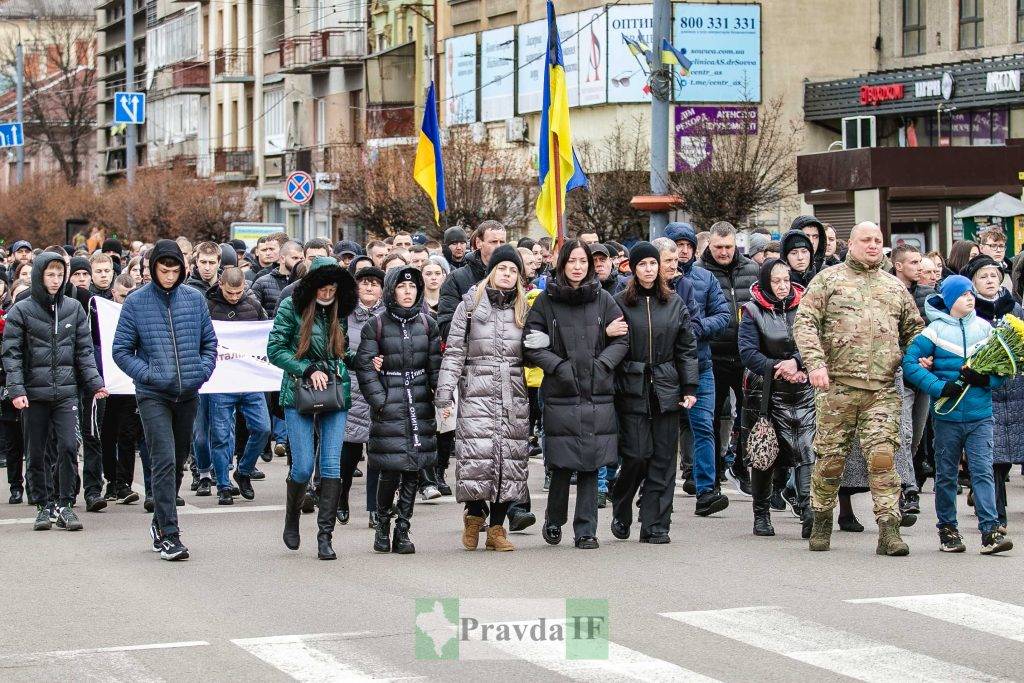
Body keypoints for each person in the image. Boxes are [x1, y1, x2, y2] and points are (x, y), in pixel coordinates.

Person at [793, 221, 923, 556]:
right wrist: (815, 363)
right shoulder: (829, 280)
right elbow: (805, 322)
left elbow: (915, 331)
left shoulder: (894, 287)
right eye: (866, 240)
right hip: (837, 386)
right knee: (832, 461)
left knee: (882, 458)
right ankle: (821, 518)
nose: (872, 245)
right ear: (850, 243)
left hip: (882, 388)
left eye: (878, 241)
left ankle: (889, 531)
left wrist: (919, 358)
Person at [112, 240, 218, 561]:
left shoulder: (195, 299)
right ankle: (170, 535)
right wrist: (148, 374)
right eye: (163, 270)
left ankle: (160, 520)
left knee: (179, 460)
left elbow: (209, 343)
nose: (169, 276)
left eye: (175, 270)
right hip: (153, 395)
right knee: (163, 460)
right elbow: (121, 350)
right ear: (153, 268)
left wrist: (201, 371)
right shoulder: (136, 302)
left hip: (188, 393)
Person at [524, 240, 628, 549]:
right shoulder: (546, 301)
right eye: (572, 261)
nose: (578, 266)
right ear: (562, 264)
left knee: (591, 462)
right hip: (561, 391)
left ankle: (586, 530)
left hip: (597, 391)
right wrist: (559, 367)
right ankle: (554, 519)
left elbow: (622, 340)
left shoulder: (604, 299)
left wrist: (602, 364)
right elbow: (531, 345)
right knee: (561, 461)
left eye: (583, 261)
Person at [902, 275, 1012, 555]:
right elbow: (910, 363)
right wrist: (939, 387)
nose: (969, 298)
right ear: (951, 300)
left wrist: (985, 380)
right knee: (947, 475)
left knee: (982, 472)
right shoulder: (934, 331)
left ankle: (990, 531)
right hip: (947, 417)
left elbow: (1003, 371)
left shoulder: (985, 329)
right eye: (963, 294)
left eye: (970, 293)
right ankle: (948, 530)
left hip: (980, 415)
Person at [2, 252, 108, 532]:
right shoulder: (21, 310)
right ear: (39, 275)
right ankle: (42, 505)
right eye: (49, 274)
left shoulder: (73, 308)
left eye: (59, 274)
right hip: (32, 394)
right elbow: (11, 353)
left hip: (66, 392)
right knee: (35, 452)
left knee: (69, 447)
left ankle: (65, 504)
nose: (55, 280)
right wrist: (16, 389)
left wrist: (95, 383)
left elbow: (83, 351)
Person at [435, 246, 530, 552]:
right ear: (493, 271)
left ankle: (498, 528)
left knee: (509, 459)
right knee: (477, 456)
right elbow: (455, 352)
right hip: (476, 386)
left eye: (513, 270)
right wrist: (445, 393)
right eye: (502, 268)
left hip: (512, 389)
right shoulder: (471, 304)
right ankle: (475, 516)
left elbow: (532, 351)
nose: (507, 274)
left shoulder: (523, 307)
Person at [268, 256, 357, 560]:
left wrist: (362, 360)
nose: (327, 292)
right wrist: (306, 369)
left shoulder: (340, 311)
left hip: (335, 391)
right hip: (298, 391)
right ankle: (292, 518)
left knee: (331, 466)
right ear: (312, 286)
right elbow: (275, 350)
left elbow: (343, 352)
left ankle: (325, 536)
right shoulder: (290, 307)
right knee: (304, 466)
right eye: (322, 286)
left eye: (332, 287)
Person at [610, 242, 698, 544]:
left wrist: (689, 386)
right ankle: (621, 504)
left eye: (653, 264)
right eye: (643, 264)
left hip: (666, 387)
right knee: (635, 455)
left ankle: (656, 523)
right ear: (633, 268)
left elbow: (686, 347)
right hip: (632, 388)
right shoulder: (619, 302)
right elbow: (610, 346)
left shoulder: (673, 302)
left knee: (662, 459)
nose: (649, 269)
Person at [357, 266, 441, 555]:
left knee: (413, 469)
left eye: (412, 287)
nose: (408, 292)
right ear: (392, 290)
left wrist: (439, 397)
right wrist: (380, 400)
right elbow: (365, 368)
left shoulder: (428, 324)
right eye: (402, 287)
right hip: (390, 403)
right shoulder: (376, 325)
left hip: (419, 404)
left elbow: (435, 366)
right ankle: (382, 523)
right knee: (390, 469)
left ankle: (403, 527)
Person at [738, 259, 815, 538]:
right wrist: (778, 368)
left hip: (803, 389)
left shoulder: (805, 303)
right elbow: (747, 352)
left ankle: (809, 511)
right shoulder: (752, 310)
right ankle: (761, 513)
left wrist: (797, 363)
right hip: (765, 392)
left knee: (807, 449)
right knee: (765, 452)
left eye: (786, 279)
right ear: (766, 282)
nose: (783, 286)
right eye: (776, 281)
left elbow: (816, 341)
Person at [663, 223, 731, 514]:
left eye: (688, 245)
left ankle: (706, 490)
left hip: (700, 365)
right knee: (661, 432)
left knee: (704, 425)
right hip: (665, 369)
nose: (683, 251)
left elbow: (723, 315)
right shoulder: (652, 280)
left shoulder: (705, 278)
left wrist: (697, 328)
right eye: (677, 245)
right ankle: (656, 492)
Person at [961, 253, 1024, 532]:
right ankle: (997, 514)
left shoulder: (1016, 309)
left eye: (994, 276)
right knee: (993, 456)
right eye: (983, 276)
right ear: (974, 282)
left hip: (1016, 388)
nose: (989, 280)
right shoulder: (970, 312)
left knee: (1014, 453)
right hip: (986, 389)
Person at [701, 221, 759, 496]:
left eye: (728, 246)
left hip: (745, 355)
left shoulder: (751, 269)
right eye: (718, 247)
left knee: (748, 415)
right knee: (711, 418)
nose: (723, 252)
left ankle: (740, 464)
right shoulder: (700, 273)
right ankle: (711, 476)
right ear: (709, 245)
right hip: (712, 355)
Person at [204, 268, 270, 505]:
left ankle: (244, 470)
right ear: (220, 284)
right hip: (221, 380)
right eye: (230, 293)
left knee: (263, 428)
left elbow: (267, 333)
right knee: (221, 435)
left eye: (238, 292)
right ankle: (223, 484)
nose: (234, 297)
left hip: (250, 378)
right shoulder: (208, 306)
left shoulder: (252, 305)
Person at [340, 265, 386, 528]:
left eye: (374, 283)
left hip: (380, 386)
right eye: (364, 282)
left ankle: (374, 508)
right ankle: (342, 498)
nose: (369, 287)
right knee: (349, 449)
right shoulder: (345, 313)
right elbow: (339, 346)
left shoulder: (387, 314)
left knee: (378, 452)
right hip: (352, 384)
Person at [251, 240, 303, 318]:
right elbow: (253, 313)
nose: (299, 262)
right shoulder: (261, 283)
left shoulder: (305, 282)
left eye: (301, 259)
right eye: (295, 258)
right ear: (282, 258)